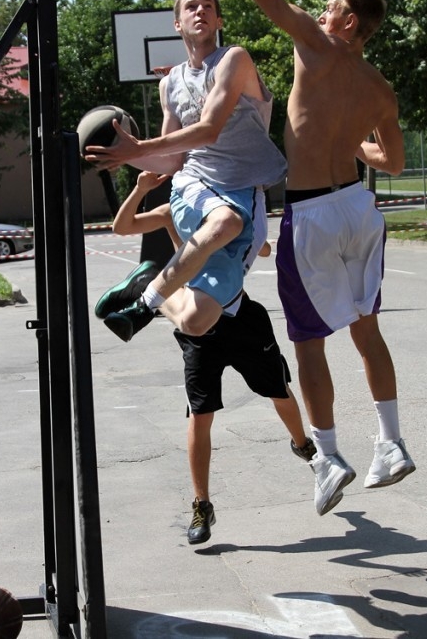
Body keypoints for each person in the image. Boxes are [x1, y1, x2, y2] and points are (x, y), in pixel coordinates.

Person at [196, 0, 415, 516]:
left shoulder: (317, 47)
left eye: (328, 6)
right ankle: (392, 443)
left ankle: (327, 457)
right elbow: (392, 161)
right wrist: (351, 143)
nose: (319, 13)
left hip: (314, 213)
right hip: (359, 208)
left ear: (347, 20)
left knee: (310, 343)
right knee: (366, 332)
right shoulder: (378, 86)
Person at [100, 170, 315, 545]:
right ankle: (201, 504)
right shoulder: (175, 210)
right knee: (201, 416)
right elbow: (122, 227)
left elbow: (260, 247)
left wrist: (259, 240)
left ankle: (305, 445)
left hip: (239, 317)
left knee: (277, 389)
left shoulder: (228, 211)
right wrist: (139, 189)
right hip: (198, 324)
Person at [85, 0, 286, 342]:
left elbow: (209, 128)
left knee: (198, 321)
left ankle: (147, 279)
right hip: (196, 187)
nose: (201, 11)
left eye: (208, 6)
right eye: (191, 6)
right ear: (177, 23)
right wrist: (127, 157)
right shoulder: (170, 83)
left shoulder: (234, 59)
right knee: (225, 221)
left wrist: (138, 150)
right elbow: (175, 160)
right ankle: (145, 304)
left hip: (245, 194)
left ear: (219, 21)